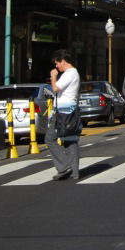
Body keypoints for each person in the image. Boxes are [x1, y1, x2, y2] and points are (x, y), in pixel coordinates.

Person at [46, 50, 81, 180]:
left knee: (50, 138)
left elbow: (55, 88)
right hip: (69, 110)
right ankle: (74, 171)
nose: (56, 67)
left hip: (63, 111)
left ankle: (64, 165)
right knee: (70, 139)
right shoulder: (73, 73)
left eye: (57, 63)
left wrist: (53, 77)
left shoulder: (69, 73)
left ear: (63, 61)